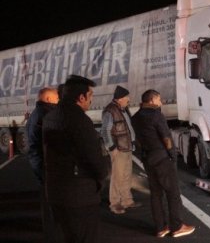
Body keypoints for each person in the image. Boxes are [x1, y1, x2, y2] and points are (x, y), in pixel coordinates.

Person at [42, 75, 108, 243]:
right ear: (81, 97)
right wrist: (102, 177)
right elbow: (94, 160)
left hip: (57, 193)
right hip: (80, 196)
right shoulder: (79, 120)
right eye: (90, 96)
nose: (91, 100)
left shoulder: (51, 116)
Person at [131, 89, 195, 238]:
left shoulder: (136, 118)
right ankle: (177, 226)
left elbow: (139, 139)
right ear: (152, 100)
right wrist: (172, 155)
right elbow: (166, 138)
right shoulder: (156, 115)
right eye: (159, 99)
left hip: (148, 158)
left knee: (156, 194)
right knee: (173, 193)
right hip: (161, 158)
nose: (161, 102)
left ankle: (161, 228)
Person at [26, 87, 60, 243]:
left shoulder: (37, 113)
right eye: (56, 98)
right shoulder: (45, 115)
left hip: (40, 162)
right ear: (48, 99)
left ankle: (51, 231)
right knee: (51, 201)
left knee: (47, 200)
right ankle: (53, 234)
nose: (58, 100)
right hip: (45, 164)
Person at [101, 85, 140, 214]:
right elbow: (105, 130)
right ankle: (115, 203)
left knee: (126, 175)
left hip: (126, 147)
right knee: (117, 176)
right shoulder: (110, 111)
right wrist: (111, 147)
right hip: (118, 148)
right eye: (126, 97)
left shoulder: (123, 109)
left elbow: (128, 127)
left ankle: (127, 200)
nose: (128, 99)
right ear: (120, 98)